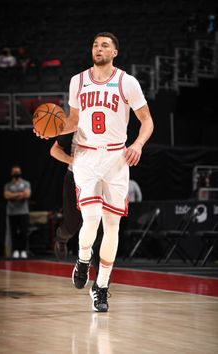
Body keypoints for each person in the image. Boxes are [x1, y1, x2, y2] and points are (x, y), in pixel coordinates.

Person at [34, 32, 154, 312]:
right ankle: (83, 258)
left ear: (115, 52)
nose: (98, 48)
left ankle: (101, 287)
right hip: (86, 155)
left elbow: (147, 121)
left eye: (104, 45)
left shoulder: (127, 82)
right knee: (90, 218)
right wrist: (48, 129)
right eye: (95, 44)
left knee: (112, 225)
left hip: (116, 156)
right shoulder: (78, 80)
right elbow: (73, 121)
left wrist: (137, 144)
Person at [50, 132, 103, 278]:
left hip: (99, 178)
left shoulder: (108, 120)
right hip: (75, 177)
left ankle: (100, 272)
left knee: (99, 225)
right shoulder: (75, 123)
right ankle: (61, 238)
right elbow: (54, 150)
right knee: (72, 226)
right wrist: (74, 161)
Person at [4, 165, 31, 258]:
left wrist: (13, 195)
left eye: (18, 171)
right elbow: (7, 196)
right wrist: (20, 194)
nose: (16, 173)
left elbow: (27, 194)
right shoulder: (8, 185)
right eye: (15, 172)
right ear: (12, 173)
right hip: (12, 212)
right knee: (14, 232)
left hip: (23, 212)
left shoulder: (26, 183)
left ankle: (23, 250)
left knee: (23, 232)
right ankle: (15, 250)